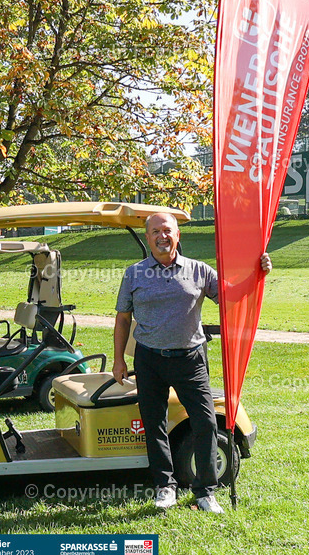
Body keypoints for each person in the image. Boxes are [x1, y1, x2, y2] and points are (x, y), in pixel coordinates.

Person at [113, 212, 271, 514]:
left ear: (177, 235)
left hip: (190, 359)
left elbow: (231, 296)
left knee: (206, 422)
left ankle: (205, 492)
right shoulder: (134, 273)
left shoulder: (199, 271)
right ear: (147, 238)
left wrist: (258, 274)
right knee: (154, 423)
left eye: (168, 230)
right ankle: (165, 487)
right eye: (156, 231)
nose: (162, 236)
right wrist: (119, 359)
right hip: (149, 358)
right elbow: (123, 318)